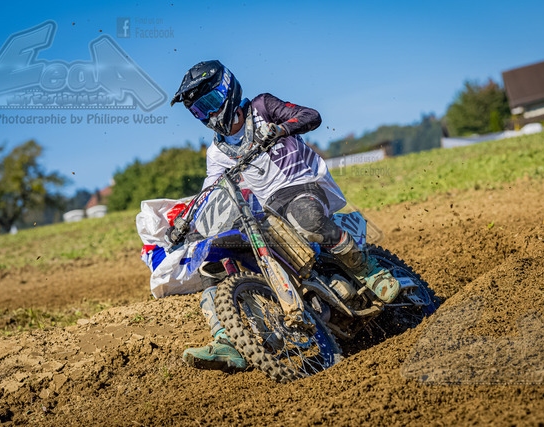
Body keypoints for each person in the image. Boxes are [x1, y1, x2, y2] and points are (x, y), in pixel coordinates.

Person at [169, 60, 400, 371]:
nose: (208, 114)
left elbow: (311, 116)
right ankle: (229, 340)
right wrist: (186, 222)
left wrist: (281, 129)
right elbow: (210, 189)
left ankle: (369, 271)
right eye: (199, 110)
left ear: (227, 90)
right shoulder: (217, 152)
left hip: (303, 185)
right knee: (214, 264)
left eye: (210, 103)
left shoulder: (262, 108)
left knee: (306, 218)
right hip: (268, 209)